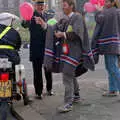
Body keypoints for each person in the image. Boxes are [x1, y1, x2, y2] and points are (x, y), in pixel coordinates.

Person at [35, 0, 94, 112]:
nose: (63, 7)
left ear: (71, 6)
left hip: (75, 52)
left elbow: (78, 34)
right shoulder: (65, 19)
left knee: (67, 74)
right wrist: (43, 24)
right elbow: (54, 27)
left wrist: (63, 34)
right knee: (70, 73)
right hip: (67, 52)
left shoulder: (77, 17)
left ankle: (68, 103)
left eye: (65, 5)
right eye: (62, 5)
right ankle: (76, 95)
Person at [21, 0, 54, 99]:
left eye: (42, 5)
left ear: (45, 6)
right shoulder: (31, 15)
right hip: (36, 48)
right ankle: (38, 92)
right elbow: (24, 24)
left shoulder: (48, 16)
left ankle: (49, 89)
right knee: (37, 71)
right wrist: (27, 20)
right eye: (38, 5)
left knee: (48, 69)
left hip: (46, 47)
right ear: (35, 6)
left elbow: (52, 27)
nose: (40, 7)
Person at [92, 0, 120, 97]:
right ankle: (113, 89)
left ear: (113, 3)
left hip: (109, 44)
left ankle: (114, 89)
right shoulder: (117, 11)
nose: (105, 3)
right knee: (111, 67)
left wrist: (99, 11)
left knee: (112, 68)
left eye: (107, 1)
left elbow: (99, 19)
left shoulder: (107, 12)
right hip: (114, 44)